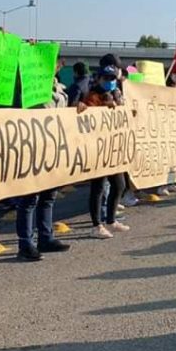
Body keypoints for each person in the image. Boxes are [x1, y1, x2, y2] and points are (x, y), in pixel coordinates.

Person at [15, 59, 73, 261]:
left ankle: (45, 238)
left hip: (54, 149)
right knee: (30, 198)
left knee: (49, 196)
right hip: (33, 148)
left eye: (56, 65)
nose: (55, 67)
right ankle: (25, 243)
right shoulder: (29, 86)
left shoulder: (59, 89)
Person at [79, 66, 130, 239]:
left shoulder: (116, 93)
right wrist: (103, 107)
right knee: (98, 187)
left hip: (113, 149)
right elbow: (89, 116)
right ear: (99, 79)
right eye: (106, 78)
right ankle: (96, 225)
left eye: (112, 78)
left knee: (119, 185)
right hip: (98, 149)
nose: (110, 82)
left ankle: (111, 220)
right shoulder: (93, 95)